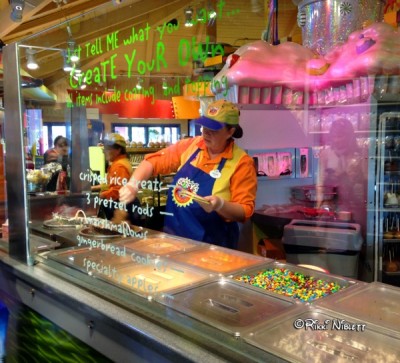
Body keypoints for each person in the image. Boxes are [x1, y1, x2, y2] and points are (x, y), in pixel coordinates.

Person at [119, 99, 257, 248]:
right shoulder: (191, 146)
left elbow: (244, 211)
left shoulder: (241, 163)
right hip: (175, 241)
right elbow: (152, 162)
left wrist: (220, 205)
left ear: (230, 132)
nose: (206, 133)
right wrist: (133, 184)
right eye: (204, 127)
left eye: (214, 129)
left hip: (213, 248)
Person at [317, 118, 367, 229]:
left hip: (355, 208)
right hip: (332, 209)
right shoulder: (326, 155)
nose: (337, 140)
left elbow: (366, 183)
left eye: (340, 136)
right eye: (334, 136)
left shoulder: (359, 155)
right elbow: (319, 184)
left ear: (349, 137)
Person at [92, 133, 140, 224]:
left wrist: (99, 196)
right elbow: (110, 184)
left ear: (118, 149)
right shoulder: (117, 163)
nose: (104, 151)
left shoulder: (119, 166)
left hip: (124, 207)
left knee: (124, 236)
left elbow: (117, 190)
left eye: (107, 148)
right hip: (122, 204)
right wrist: (94, 188)